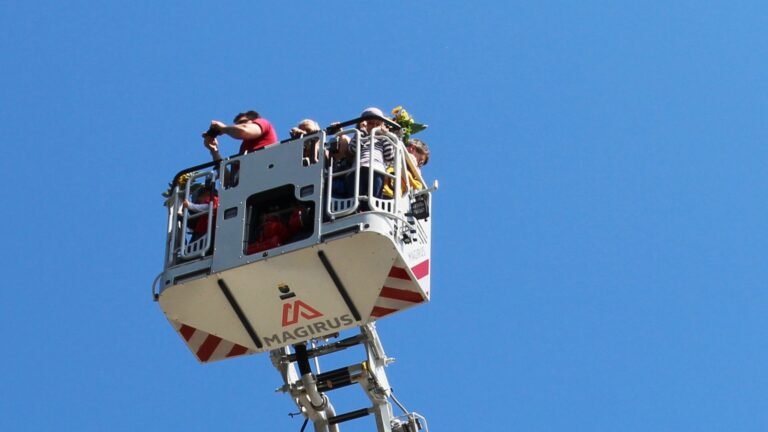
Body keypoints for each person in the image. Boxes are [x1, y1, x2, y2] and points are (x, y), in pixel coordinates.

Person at [344, 107, 395, 204]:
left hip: (376, 169)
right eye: (371, 123)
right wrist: (362, 131)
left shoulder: (382, 139)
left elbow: (389, 156)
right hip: (358, 169)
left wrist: (385, 136)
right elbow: (353, 149)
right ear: (363, 123)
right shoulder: (359, 136)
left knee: (374, 198)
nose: (375, 126)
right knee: (356, 198)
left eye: (378, 124)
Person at [203, 110, 278, 162]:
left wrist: (223, 128)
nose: (239, 126)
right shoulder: (244, 149)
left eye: (243, 122)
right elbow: (228, 180)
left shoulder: (263, 123)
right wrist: (214, 151)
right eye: (237, 125)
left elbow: (244, 131)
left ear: (254, 120)